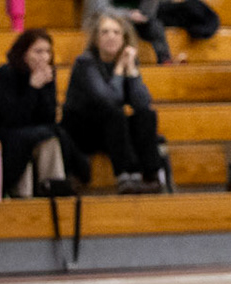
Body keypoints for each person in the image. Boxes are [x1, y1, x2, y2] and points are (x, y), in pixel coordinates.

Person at [63, 14, 166, 193]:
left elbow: (142, 103)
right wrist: (119, 70)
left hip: (112, 130)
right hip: (82, 132)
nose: (111, 36)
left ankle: (152, 175)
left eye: (116, 32)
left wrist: (131, 69)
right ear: (96, 39)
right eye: (105, 32)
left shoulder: (127, 61)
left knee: (146, 116)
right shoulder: (85, 63)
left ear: (124, 38)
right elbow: (108, 100)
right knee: (115, 113)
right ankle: (125, 175)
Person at [0, 29, 86, 197]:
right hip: (3, 132)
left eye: (47, 51)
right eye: (38, 51)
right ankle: (23, 194)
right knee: (34, 138)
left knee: (50, 137)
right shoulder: (5, 74)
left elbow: (49, 117)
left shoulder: (47, 75)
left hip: (35, 132)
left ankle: (53, 188)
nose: (44, 57)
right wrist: (33, 88)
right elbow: (12, 117)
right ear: (23, 53)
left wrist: (41, 87)